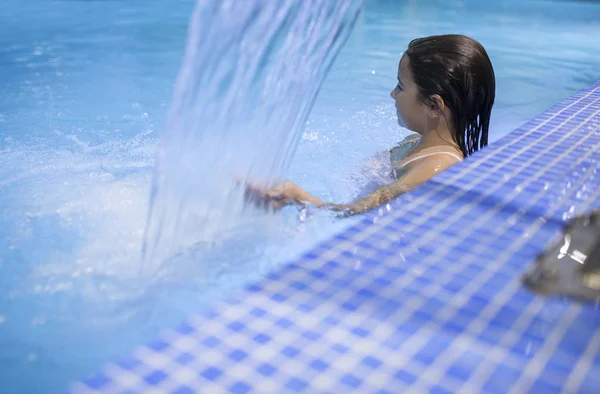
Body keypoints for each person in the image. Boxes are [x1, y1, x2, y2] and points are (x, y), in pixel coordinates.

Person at [245, 34, 496, 216]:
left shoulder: (436, 168)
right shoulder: (417, 143)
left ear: (434, 106)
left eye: (400, 86)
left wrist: (295, 196)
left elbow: (353, 215)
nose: (392, 94)